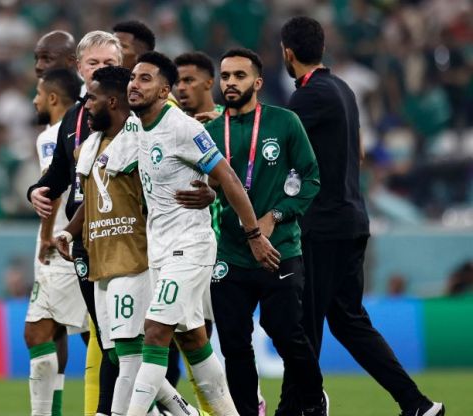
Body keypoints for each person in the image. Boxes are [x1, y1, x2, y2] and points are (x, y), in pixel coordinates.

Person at [279, 16, 445, 416]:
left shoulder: (307, 97)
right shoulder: (343, 89)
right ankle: (417, 404)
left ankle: (295, 408)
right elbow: (360, 152)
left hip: (321, 226)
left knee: (303, 326)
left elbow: (275, 154)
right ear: (321, 47)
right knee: (348, 321)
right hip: (352, 218)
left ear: (287, 53)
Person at [126, 51, 278, 416]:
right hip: (160, 250)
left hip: (190, 248)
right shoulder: (138, 127)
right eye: (133, 77)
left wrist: (254, 234)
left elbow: (228, 178)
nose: (134, 84)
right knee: (193, 340)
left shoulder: (183, 128)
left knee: (155, 332)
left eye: (145, 79)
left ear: (163, 90)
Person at [56, 65, 202, 416]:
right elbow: (95, 197)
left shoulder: (141, 142)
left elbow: (168, 188)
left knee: (131, 357)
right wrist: (68, 231)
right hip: (101, 261)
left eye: (91, 99)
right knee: (118, 355)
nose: (85, 106)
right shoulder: (92, 146)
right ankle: (186, 413)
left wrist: (206, 194)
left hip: (134, 259)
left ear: (111, 101)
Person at [205, 48, 327, 416]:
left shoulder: (284, 122)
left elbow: (311, 179)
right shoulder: (209, 133)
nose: (230, 82)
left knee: (287, 334)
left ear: (257, 82)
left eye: (239, 76)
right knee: (234, 346)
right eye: (225, 76)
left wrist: (276, 214)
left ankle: (313, 402)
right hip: (229, 253)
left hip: (280, 250)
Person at [27, 30, 122, 416]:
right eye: (94, 63)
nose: (100, 69)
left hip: (123, 239)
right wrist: (36, 191)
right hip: (82, 242)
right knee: (104, 334)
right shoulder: (73, 117)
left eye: (109, 63)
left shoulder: (135, 116)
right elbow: (58, 175)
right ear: (80, 68)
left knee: (125, 337)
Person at [175, 51, 268, 416]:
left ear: (208, 83)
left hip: (224, 249)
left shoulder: (228, 124)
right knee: (191, 339)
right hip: (184, 248)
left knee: (228, 339)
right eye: (177, 82)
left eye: (188, 81)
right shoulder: (172, 126)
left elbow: (248, 178)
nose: (181, 88)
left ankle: (253, 402)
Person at [29, 30, 84, 416]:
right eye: (37, 57)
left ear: (69, 62)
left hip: (64, 241)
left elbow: (55, 188)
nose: (38, 66)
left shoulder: (58, 130)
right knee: (83, 335)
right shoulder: (88, 115)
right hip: (87, 235)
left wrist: (48, 236)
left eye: (46, 58)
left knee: (39, 331)